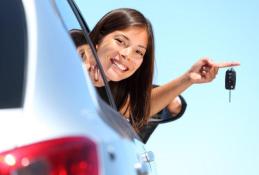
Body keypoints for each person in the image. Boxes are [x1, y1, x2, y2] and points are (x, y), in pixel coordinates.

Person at [70, 8, 240, 140]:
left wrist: (188, 78)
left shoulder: (115, 96)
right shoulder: (70, 44)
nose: (127, 54)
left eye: (139, 52)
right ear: (98, 40)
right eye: (120, 41)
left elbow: (140, 106)